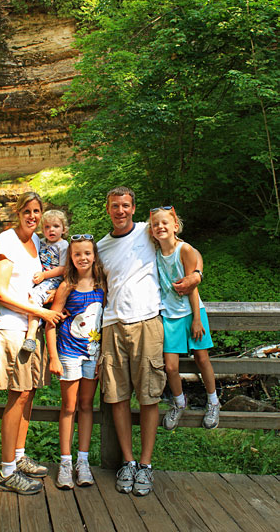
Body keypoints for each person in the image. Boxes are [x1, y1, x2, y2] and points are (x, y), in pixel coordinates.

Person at [97, 186, 202, 496]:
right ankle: (127, 462)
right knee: (116, 397)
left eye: (126, 205)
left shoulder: (148, 231)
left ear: (133, 208)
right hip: (113, 325)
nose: (120, 211)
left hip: (148, 323)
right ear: (108, 210)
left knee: (149, 396)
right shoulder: (101, 246)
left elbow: (185, 248)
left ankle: (145, 465)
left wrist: (195, 274)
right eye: (115, 206)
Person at [0, 191, 64, 495]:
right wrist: (39, 311)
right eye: (27, 210)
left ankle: (18, 457)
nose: (32, 216)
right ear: (17, 212)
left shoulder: (37, 243)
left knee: (27, 394)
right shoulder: (6, 240)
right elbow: (0, 292)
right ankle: (6, 472)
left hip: (29, 326)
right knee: (17, 396)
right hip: (10, 327)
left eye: (37, 211)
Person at [149, 206, 220, 430]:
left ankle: (213, 401)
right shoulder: (155, 252)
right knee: (170, 367)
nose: (160, 227)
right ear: (151, 230)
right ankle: (179, 403)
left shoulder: (184, 250)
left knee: (202, 358)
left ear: (175, 227)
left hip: (191, 313)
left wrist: (197, 319)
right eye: (155, 224)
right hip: (169, 316)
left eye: (165, 223)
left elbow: (192, 285)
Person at [45, 234, 106, 489]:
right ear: (71, 257)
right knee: (69, 407)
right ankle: (66, 462)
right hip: (69, 353)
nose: (83, 258)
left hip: (92, 354)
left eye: (87, 253)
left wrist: (104, 355)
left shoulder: (102, 286)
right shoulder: (66, 286)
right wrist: (53, 357)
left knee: (86, 406)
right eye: (77, 254)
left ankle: (83, 461)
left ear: (94, 256)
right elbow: (51, 321)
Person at [22, 209, 69, 353]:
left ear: (63, 229)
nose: (51, 230)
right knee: (30, 298)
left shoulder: (63, 245)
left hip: (53, 280)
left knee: (33, 300)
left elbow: (63, 268)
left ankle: (30, 336)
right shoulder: (41, 242)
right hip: (41, 279)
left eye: (56, 226)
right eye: (47, 227)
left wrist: (44, 276)